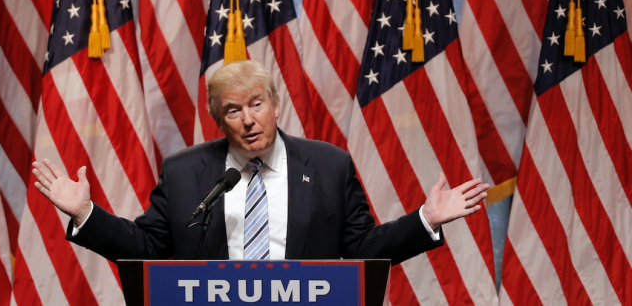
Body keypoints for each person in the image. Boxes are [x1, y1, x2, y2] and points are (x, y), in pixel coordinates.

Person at [33, 60, 489, 264]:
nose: (249, 120)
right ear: (218, 119)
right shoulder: (185, 171)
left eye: (257, 104)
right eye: (233, 110)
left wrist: (426, 219)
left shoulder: (329, 165)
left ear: (275, 105)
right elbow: (148, 249)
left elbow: (363, 250)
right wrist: (84, 215)